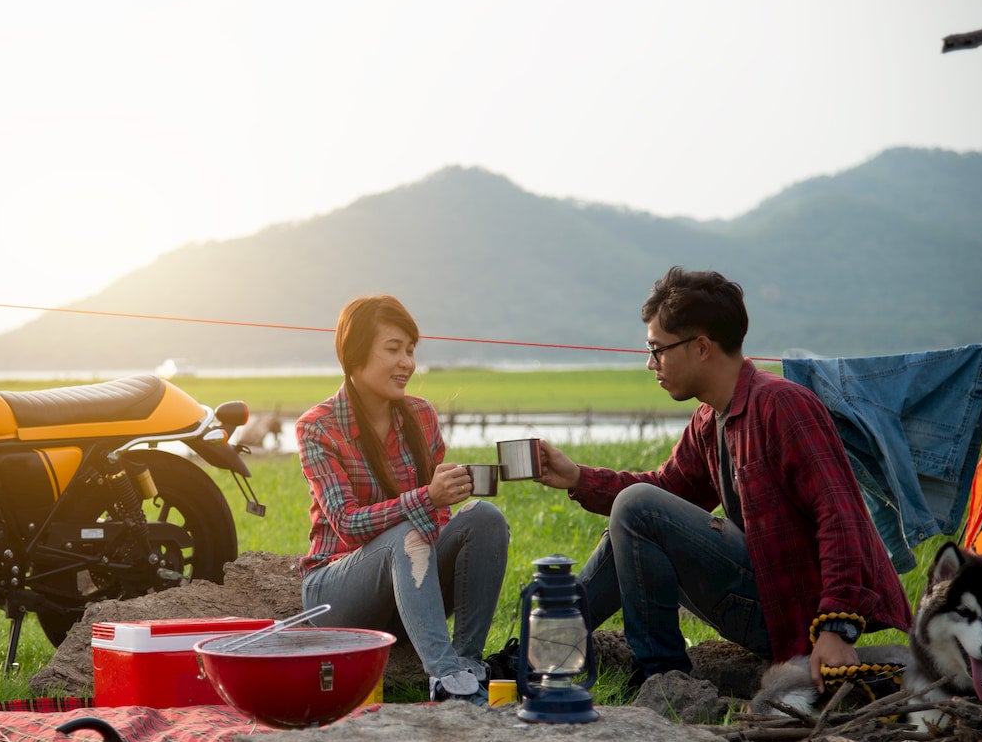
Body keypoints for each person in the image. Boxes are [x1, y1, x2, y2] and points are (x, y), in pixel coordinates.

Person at [532, 267, 911, 690]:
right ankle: (546, 643)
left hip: (797, 616)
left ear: (701, 347)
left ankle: (662, 677)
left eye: (657, 350)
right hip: (759, 602)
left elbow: (841, 517)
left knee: (636, 506)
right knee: (633, 514)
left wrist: (835, 628)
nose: (650, 364)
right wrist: (577, 478)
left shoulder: (783, 406)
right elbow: (665, 492)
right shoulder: (709, 419)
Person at [297, 295, 510, 705]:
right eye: (393, 349)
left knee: (485, 517)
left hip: (409, 589)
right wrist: (425, 498)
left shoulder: (421, 416)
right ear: (355, 353)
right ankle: (445, 679)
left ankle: (467, 666)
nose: (407, 363)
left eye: (410, 350)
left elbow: (441, 519)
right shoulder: (317, 427)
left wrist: (445, 501)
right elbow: (346, 522)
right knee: (405, 533)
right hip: (336, 593)